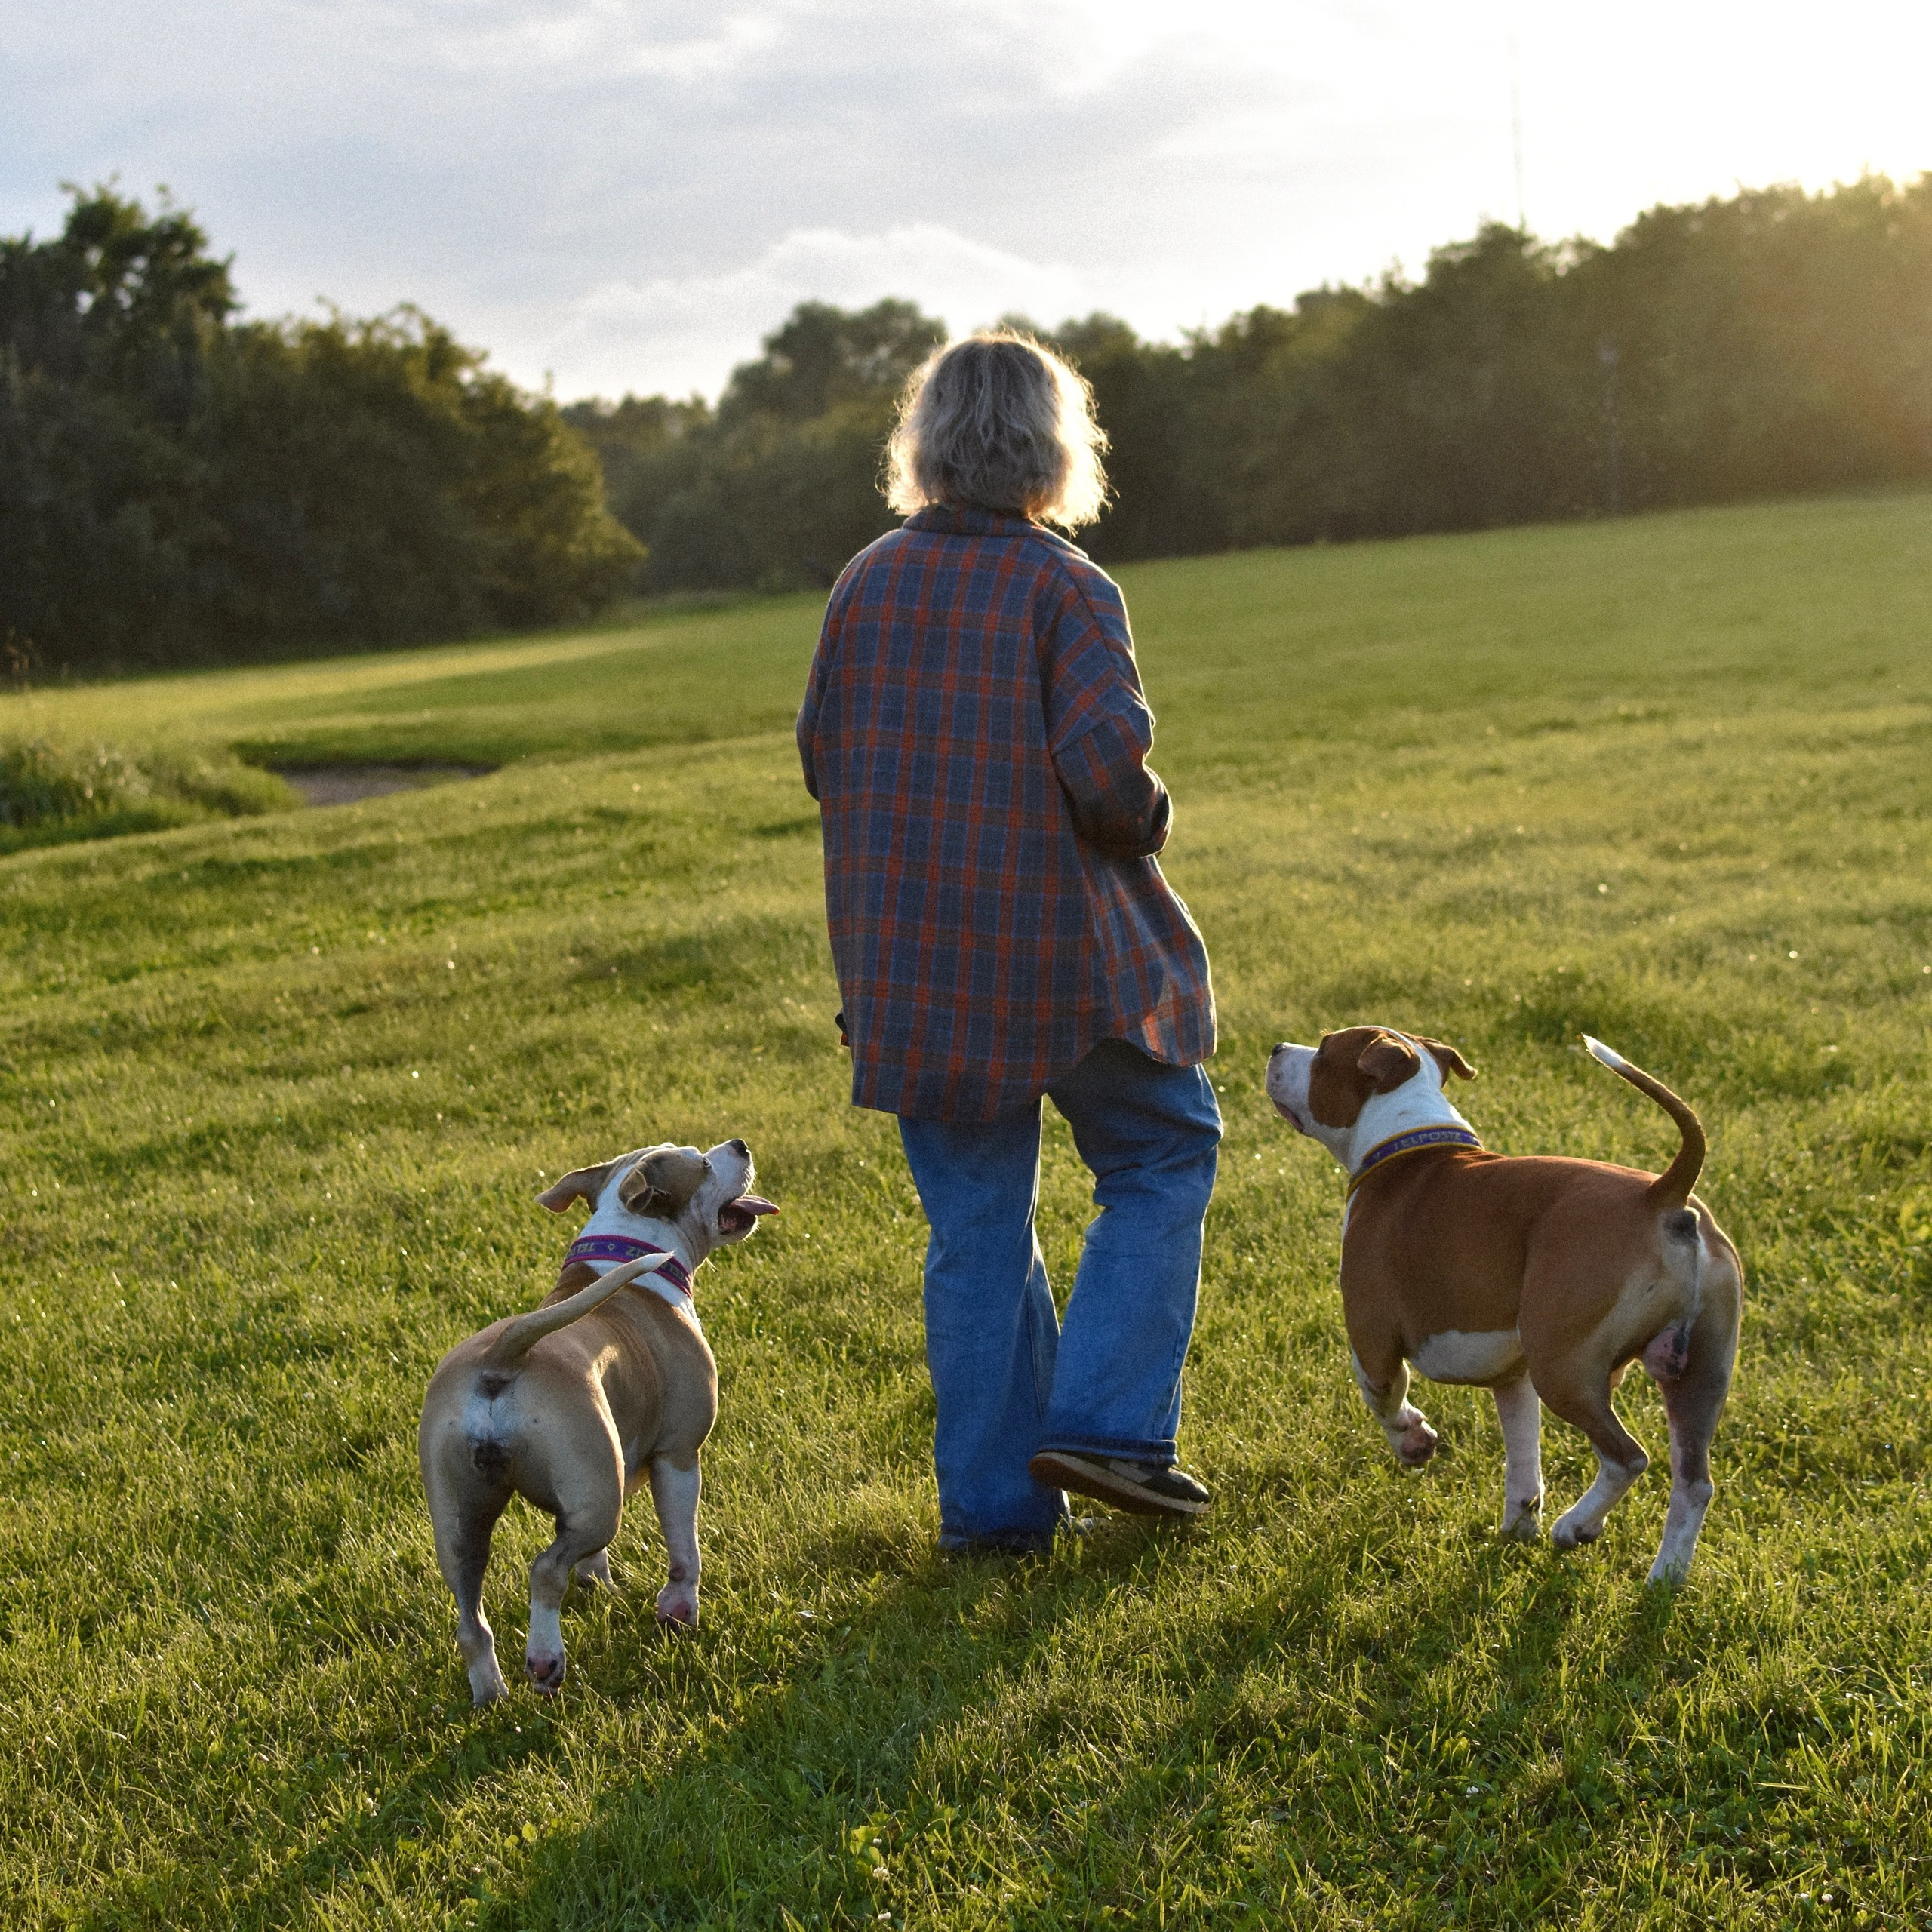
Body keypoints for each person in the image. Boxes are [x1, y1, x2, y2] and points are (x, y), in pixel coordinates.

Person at [795, 330, 1220, 1555]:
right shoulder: (1067, 587)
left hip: (915, 969)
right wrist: (1150, 814)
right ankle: (1112, 1430)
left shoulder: (865, 581)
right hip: (1060, 961)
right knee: (1163, 1150)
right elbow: (1105, 780)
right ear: (1054, 446)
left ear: (924, 444)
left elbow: (825, 758)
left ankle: (993, 1516)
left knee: (976, 1229)